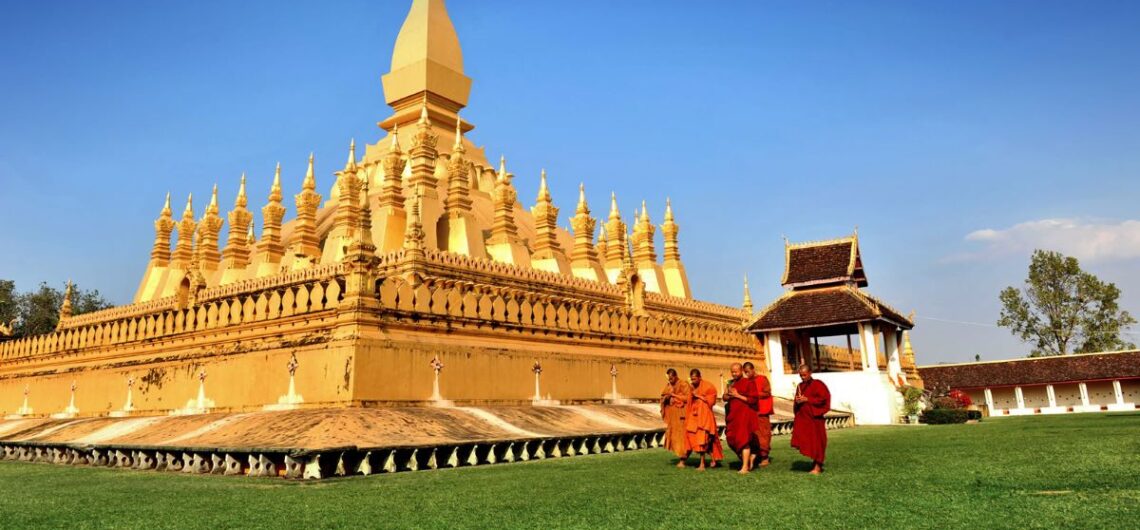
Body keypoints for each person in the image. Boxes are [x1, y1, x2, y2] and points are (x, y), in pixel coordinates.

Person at [791, 364, 831, 474]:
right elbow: (797, 401)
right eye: (800, 375)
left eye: (804, 375)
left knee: (817, 442)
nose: (802, 377)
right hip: (804, 418)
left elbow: (823, 399)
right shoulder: (800, 386)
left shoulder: (818, 384)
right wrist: (798, 401)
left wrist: (808, 399)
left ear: (810, 373)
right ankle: (815, 463)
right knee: (808, 441)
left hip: (815, 418)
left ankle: (818, 466)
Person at [723, 362, 759, 474]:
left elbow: (753, 400)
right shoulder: (730, 383)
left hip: (744, 415)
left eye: (736, 371)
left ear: (741, 371)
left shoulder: (748, 383)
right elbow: (724, 397)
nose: (734, 374)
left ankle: (744, 467)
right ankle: (750, 457)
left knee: (743, 440)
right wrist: (728, 395)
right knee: (731, 439)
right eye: (732, 372)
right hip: (733, 415)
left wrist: (738, 395)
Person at [684, 369, 722, 470]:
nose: (693, 381)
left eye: (695, 379)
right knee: (693, 438)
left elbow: (711, 401)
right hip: (694, 417)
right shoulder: (691, 387)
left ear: (700, 377)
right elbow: (688, 401)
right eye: (692, 379)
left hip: (705, 418)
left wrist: (699, 397)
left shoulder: (708, 386)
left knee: (702, 440)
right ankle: (713, 458)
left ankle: (702, 464)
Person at [742, 361, 773, 469]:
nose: (747, 374)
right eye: (745, 373)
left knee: (763, 434)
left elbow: (767, 392)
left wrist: (755, 394)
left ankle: (765, 457)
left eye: (748, 372)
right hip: (752, 412)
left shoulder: (762, 379)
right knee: (753, 435)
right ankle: (755, 456)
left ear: (753, 369)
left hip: (762, 411)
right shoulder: (746, 381)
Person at [660, 368, 691, 467]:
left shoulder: (683, 384)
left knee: (683, 437)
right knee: (674, 436)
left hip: (683, 414)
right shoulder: (669, 386)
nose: (670, 380)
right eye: (669, 379)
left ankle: (683, 459)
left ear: (675, 376)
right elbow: (663, 396)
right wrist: (666, 398)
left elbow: (688, 398)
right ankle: (682, 457)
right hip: (673, 416)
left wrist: (674, 395)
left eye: (672, 378)